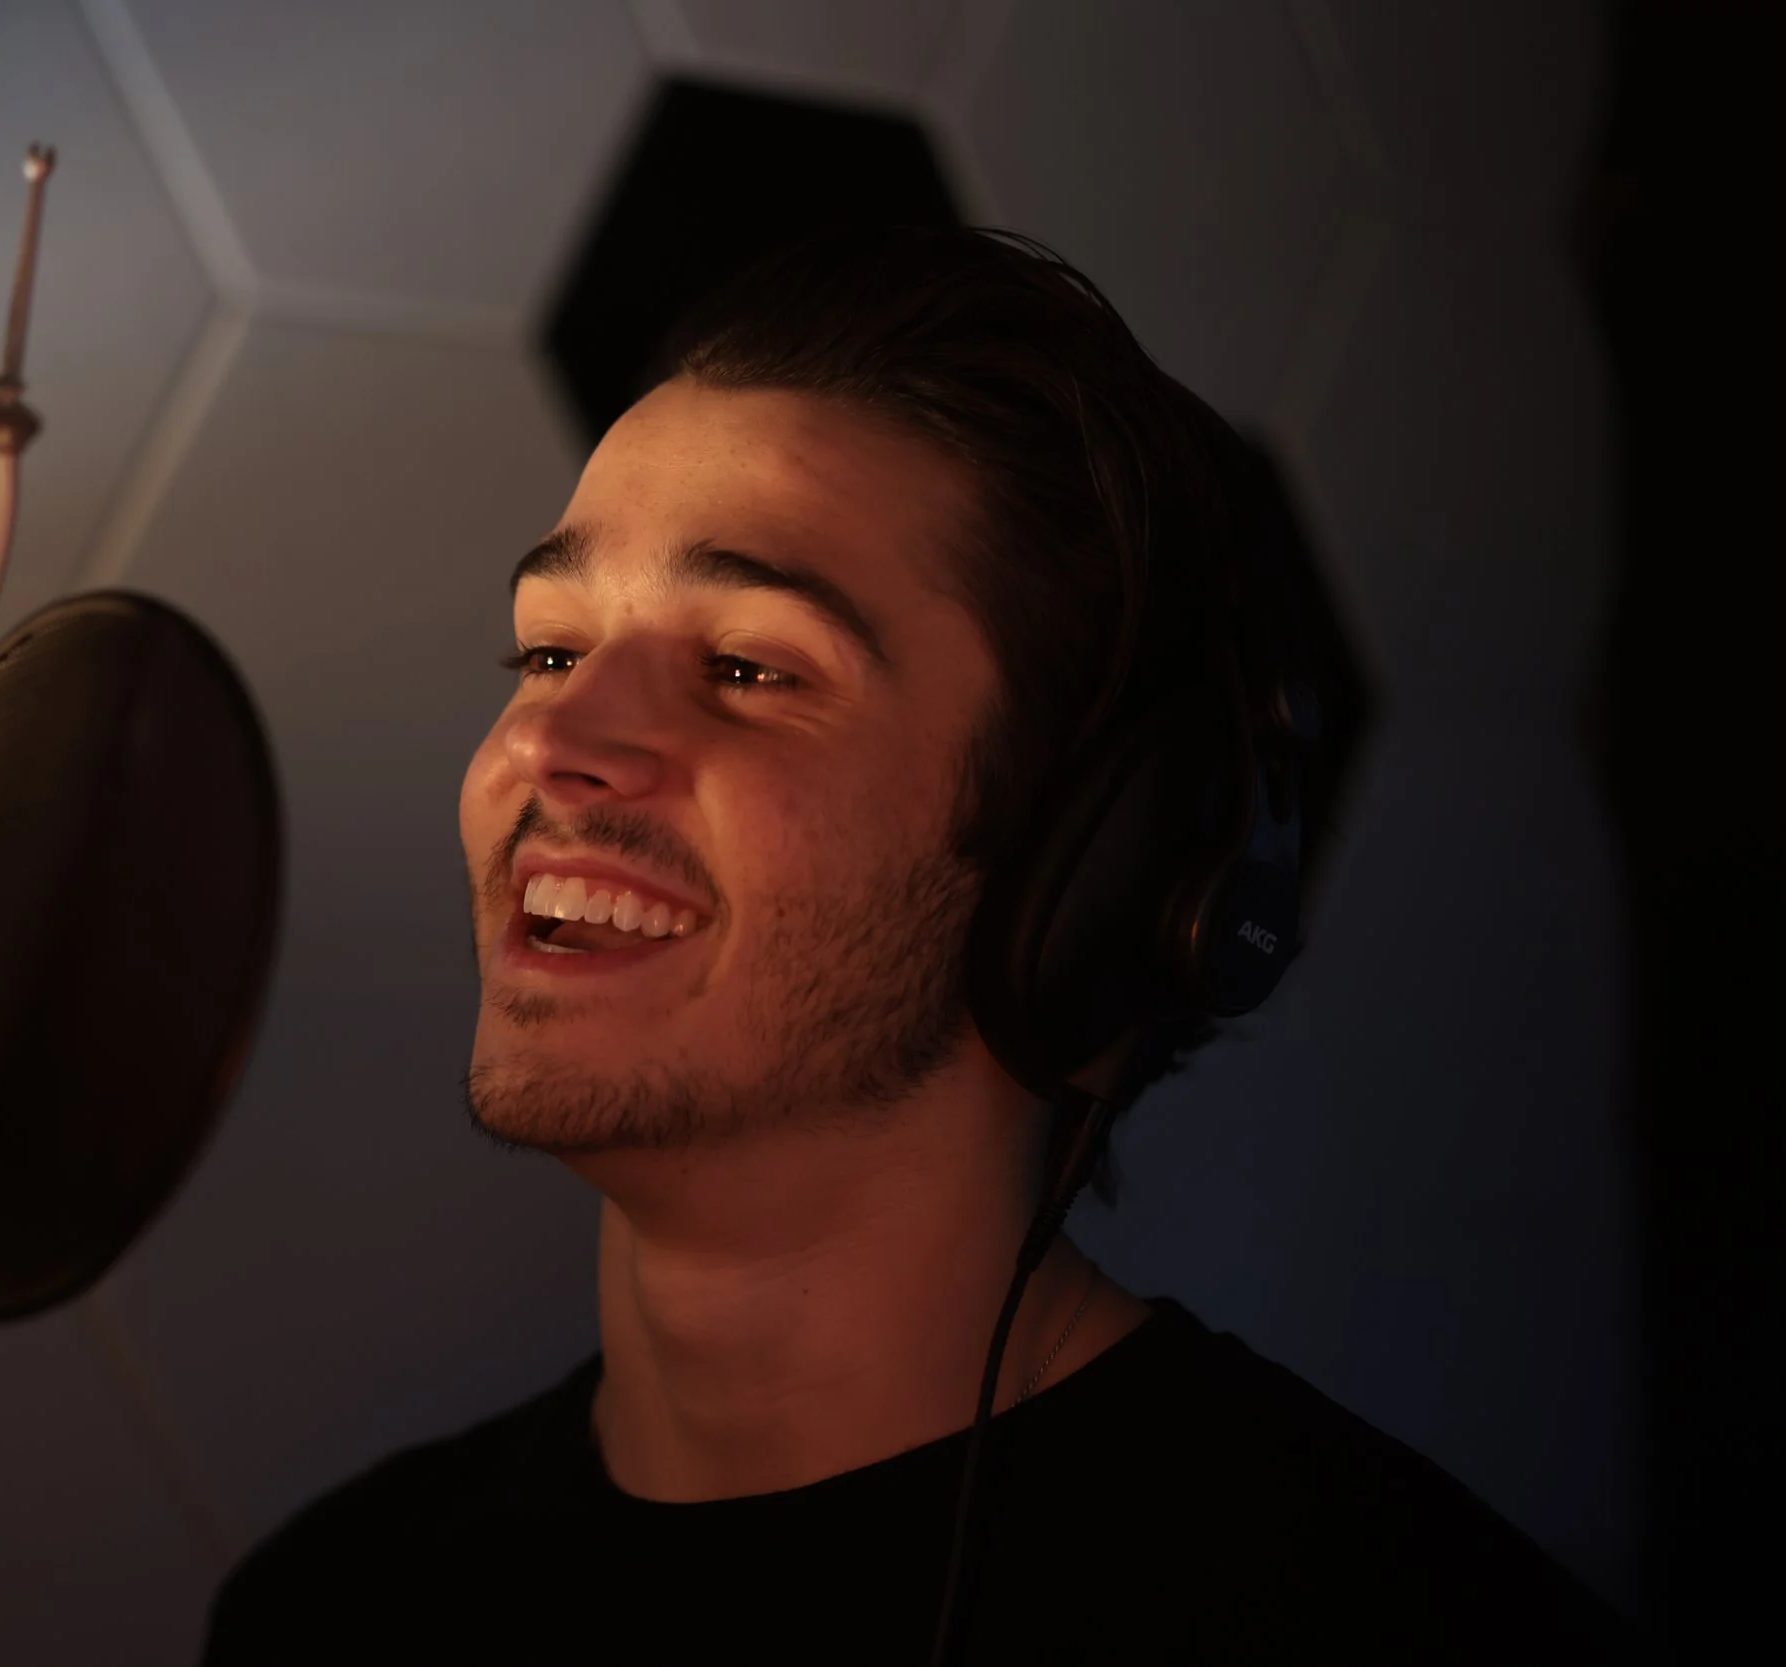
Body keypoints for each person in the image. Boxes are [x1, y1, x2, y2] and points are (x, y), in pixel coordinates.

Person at [201, 228, 1630, 1664]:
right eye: (552, 650)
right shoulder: (329, 1607)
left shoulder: (1405, 1622)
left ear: (1087, 867)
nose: (549, 742)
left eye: (750, 667)